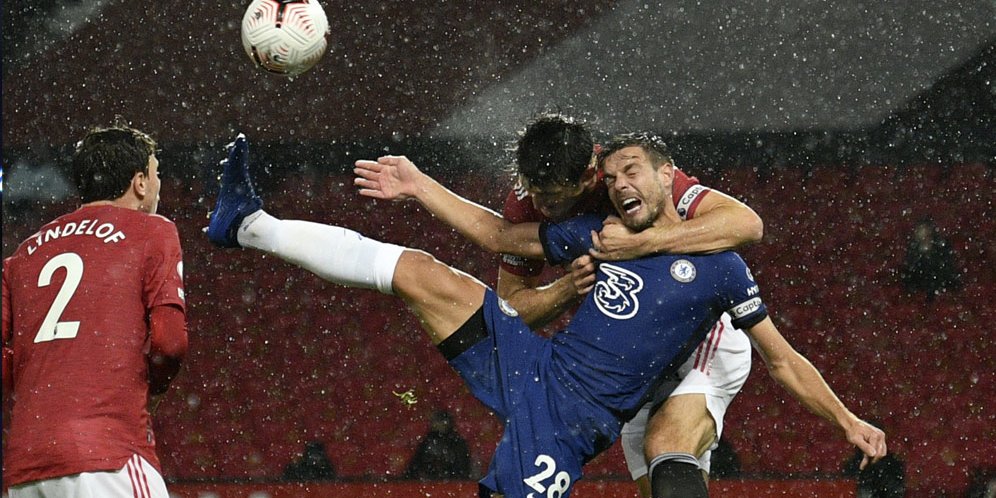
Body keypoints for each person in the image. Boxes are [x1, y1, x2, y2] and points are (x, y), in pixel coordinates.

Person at [205, 133, 886, 498]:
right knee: (418, 272)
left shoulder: (716, 256)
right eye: (613, 176)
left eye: (633, 173)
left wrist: (846, 419)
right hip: (535, 363)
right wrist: (418, 186)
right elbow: (500, 241)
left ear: (664, 175)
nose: (621, 184)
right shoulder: (582, 230)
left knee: (667, 454)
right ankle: (247, 225)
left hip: (573, 419)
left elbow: (780, 353)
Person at [354, 112, 761, 496]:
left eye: (552, 199)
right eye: (535, 194)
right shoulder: (527, 202)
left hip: (701, 329)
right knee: (660, 476)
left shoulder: (630, 176)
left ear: (589, 176)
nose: (542, 207)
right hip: (627, 351)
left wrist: (638, 244)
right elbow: (514, 308)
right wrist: (565, 289)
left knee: (667, 444)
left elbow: (746, 224)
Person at [2, 122, 188, 498]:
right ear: (139, 182)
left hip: (26, 467)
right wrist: (154, 386)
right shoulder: (152, 231)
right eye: (156, 173)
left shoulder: (25, 253)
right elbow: (170, 342)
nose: (157, 184)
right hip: (107, 454)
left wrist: (45, 387)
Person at [899, 217, 961, 300]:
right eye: (921, 230)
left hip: (941, 293)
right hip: (919, 295)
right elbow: (909, 276)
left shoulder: (942, 249)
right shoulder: (912, 253)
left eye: (925, 229)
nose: (923, 233)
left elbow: (947, 272)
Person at [403, 409, 473, 480]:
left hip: (449, 481)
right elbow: (417, 463)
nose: (436, 424)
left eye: (440, 421)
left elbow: (461, 465)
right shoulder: (428, 441)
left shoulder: (456, 442)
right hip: (433, 481)